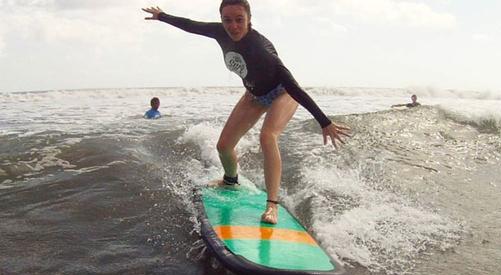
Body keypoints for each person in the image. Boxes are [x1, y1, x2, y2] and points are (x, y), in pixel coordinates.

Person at [142, 1, 350, 224]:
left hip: (283, 93)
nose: (233, 26)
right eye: (227, 20)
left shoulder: (261, 50)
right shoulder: (219, 32)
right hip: (254, 95)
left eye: (239, 19)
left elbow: (293, 86)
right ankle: (230, 180)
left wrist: (324, 122)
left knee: (267, 136)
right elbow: (191, 25)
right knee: (223, 146)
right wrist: (162, 16)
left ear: (249, 19)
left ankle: (272, 206)